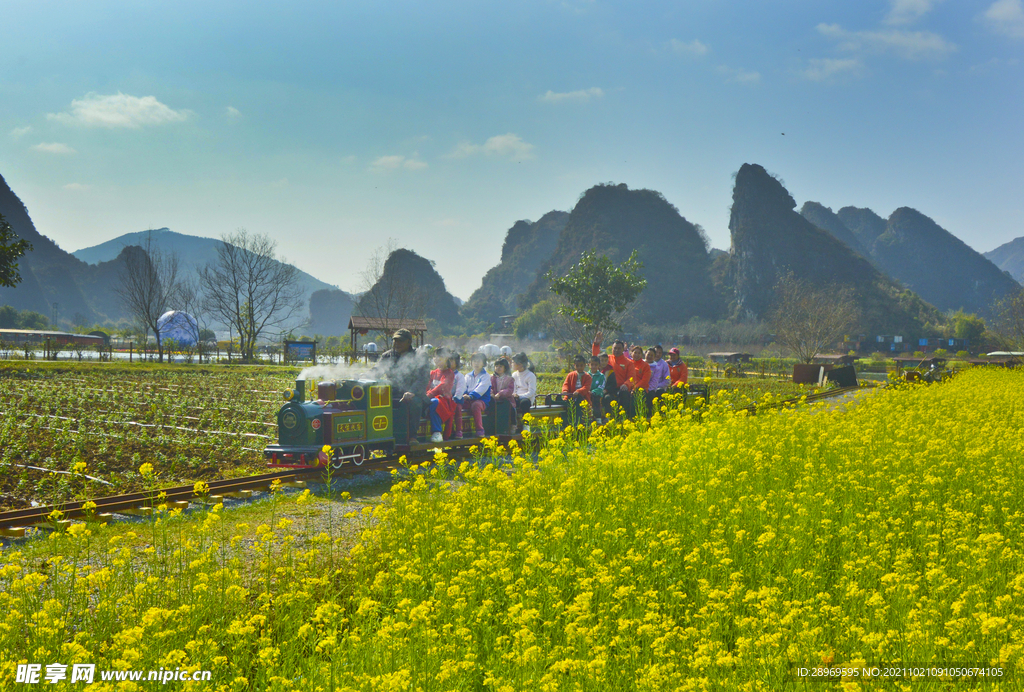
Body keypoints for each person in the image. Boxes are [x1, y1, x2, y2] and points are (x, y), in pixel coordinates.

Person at [375, 329, 430, 445]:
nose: (397, 344)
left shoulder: (420, 356)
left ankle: (412, 437)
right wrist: (363, 376)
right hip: (393, 392)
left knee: (415, 402)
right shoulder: (387, 356)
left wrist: (412, 391)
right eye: (395, 341)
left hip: (414, 393)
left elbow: (423, 378)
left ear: (409, 342)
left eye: (400, 341)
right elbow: (376, 370)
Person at [592, 331, 636, 417]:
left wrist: (626, 384)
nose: (616, 350)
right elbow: (596, 358)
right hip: (607, 388)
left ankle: (624, 416)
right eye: (615, 348)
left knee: (625, 394)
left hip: (620, 388)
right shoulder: (607, 358)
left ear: (623, 349)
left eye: (619, 348)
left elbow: (632, 377)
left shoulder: (629, 363)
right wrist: (596, 344)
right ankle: (606, 418)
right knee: (605, 398)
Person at [426, 347, 455, 443]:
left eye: (440, 357)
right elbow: (427, 385)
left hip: (444, 401)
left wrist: (429, 395)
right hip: (430, 397)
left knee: (434, 402)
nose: (437, 359)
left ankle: (437, 432)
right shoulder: (432, 372)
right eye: (435, 357)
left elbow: (442, 386)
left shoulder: (449, 373)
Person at [461, 353, 491, 438]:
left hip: (481, 400)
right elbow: (464, 386)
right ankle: (459, 430)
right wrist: (462, 395)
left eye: (479, 361)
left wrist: (471, 396)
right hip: (468, 399)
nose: (476, 363)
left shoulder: (486, 376)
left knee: (476, 405)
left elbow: (481, 389)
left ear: (484, 363)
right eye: (474, 361)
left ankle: (480, 429)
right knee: (457, 405)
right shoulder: (467, 375)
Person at [558, 354, 592, 424]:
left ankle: (580, 422)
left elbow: (586, 387)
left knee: (580, 410)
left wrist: (578, 392)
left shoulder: (588, 377)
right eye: (577, 366)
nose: (579, 367)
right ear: (574, 365)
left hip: (582, 397)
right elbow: (566, 384)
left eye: (581, 365)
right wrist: (565, 391)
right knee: (565, 407)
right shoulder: (570, 375)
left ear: (585, 365)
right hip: (570, 396)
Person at [511, 352, 536, 432]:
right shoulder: (514, 374)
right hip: (516, 397)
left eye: (513, 362)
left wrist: (519, 396)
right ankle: (512, 425)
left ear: (520, 364)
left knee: (524, 403)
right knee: (508, 402)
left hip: (526, 398)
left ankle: (526, 425)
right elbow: (513, 388)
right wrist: (513, 395)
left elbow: (531, 392)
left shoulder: (530, 375)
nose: (512, 364)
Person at [491, 357, 515, 429]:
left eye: (500, 366)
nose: (498, 368)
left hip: (506, 399)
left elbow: (509, 390)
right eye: (496, 366)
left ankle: (513, 425)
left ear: (505, 368)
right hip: (494, 399)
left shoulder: (509, 379)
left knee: (508, 406)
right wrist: (491, 394)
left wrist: (500, 394)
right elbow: (489, 387)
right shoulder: (491, 378)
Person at [450, 352, 467, 439]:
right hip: (446, 398)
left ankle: (458, 430)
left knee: (457, 409)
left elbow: (461, 388)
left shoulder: (459, 376)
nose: (449, 362)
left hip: (456, 399)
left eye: (452, 360)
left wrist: (456, 397)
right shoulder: (444, 374)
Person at [588, 355, 606, 422]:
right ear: (588, 365)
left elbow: (601, 386)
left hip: (597, 394)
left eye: (596, 365)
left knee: (596, 400)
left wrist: (593, 392)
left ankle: (598, 418)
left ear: (599, 365)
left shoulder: (601, 376)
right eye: (592, 364)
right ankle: (587, 418)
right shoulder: (586, 375)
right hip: (587, 393)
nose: (593, 367)